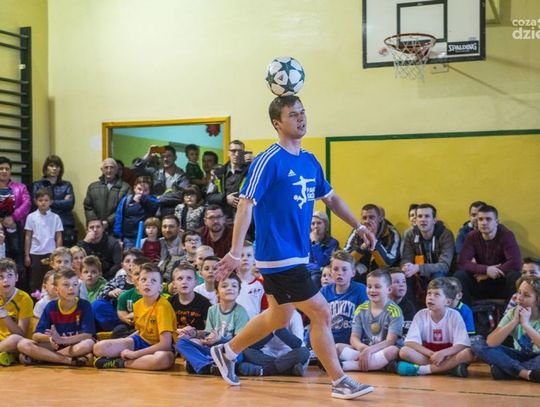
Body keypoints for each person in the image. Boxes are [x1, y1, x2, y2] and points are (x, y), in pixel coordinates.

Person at [211, 95, 375, 399]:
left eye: (302, 112)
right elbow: (246, 204)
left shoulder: (309, 160)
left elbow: (330, 198)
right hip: (277, 255)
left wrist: (359, 225)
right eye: (292, 114)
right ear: (277, 123)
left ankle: (227, 351)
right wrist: (235, 251)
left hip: (297, 254)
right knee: (321, 311)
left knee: (279, 317)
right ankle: (339, 381)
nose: (301, 118)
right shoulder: (268, 160)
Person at [93, 263, 177, 370]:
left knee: (162, 360)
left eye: (153, 281)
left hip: (160, 348)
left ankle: (121, 363)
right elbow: (140, 331)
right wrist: (123, 342)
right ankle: (134, 360)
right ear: (137, 285)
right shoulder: (137, 305)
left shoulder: (163, 307)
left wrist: (135, 354)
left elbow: (165, 344)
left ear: (160, 287)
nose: (148, 283)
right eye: (144, 280)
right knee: (99, 347)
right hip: (141, 341)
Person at [17, 268, 95, 366]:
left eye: (75, 284)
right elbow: (36, 336)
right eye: (66, 285)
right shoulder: (51, 306)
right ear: (56, 289)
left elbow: (87, 335)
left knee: (88, 343)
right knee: (23, 344)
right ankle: (68, 360)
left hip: (74, 346)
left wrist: (62, 340)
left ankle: (45, 358)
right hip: (56, 346)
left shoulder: (84, 305)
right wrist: (51, 338)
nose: (71, 288)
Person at [397, 278, 473, 377]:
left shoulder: (455, 315)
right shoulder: (420, 314)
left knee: (468, 353)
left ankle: (422, 370)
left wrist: (442, 353)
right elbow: (410, 342)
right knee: (404, 351)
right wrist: (432, 354)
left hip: (448, 356)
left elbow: (462, 344)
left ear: (448, 302)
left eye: (437, 294)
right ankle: (449, 369)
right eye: (429, 293)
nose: (431, 297)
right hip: (429, 356)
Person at [176, 273, 249, 374]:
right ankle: (211, 366)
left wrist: (220, 339)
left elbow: (239, 342)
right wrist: (194, 333)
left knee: (239, 356)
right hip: (212, 350)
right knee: (181, 343)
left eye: (234, 286)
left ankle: (204, 365)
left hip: (229, 351)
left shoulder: (241, 312)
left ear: (239, 291)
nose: (229, 288)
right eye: (224, 286)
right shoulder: (212, 309)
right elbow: (207, 333)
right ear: (217, 292)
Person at [471, 276, 540, 382]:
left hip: (537, 357)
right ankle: (524, 373)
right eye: (519, 292)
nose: (519, 298)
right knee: (476, 343)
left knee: (498, 370)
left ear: (538, 300)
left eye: (526, 295)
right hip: (519, 356)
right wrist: (514, 321)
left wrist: (525, 324)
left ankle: (506, 369)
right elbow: (491, 343)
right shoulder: (513, 313)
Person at [336, 269, 403, 372]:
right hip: (366, 348)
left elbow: (390, 341)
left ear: (389, 289)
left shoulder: (394, 311)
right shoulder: (361, 309)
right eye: (369, 286)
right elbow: (354, 337)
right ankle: (375, 364)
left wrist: (369, 351)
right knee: (337, 347)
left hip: (384, 350)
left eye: (377, 286)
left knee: (392, 351)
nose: (372, 290)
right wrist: (363, 348)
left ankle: (345, 366)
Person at [455, 204, 522, 305]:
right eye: (480, 219)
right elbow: (462, 262)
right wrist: (486, 270)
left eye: (488, 219)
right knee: (459, 275)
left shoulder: (506, 235)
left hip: (501, 282)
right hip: (479, 280)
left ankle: (510, 312)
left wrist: (488, 274)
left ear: (497, 222)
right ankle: (466, 312)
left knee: (515, 276)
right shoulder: (472, 236)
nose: (484, 223)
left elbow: (515, 263)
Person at [400, 203, 455, 306]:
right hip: (418, 273)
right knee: (404, 276)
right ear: (416, 220)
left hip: (442, 274)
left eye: (427, 216)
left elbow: (444, 266)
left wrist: (418, 268)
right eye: (420, 216)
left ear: (434, 220)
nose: (423, 220)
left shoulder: (445, 234)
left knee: (437, 276)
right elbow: (406, 258)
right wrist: (407, 267)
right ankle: (410, 311)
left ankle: (435, 310)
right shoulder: (410, 235)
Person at [240, 310, 310, 376]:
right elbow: (254, 346)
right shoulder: (264, 315)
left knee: (304, 352)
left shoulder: (295, 315)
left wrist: (280, 331)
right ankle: (289, 369)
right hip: (269, 354)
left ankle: (264, 371)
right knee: (247, 352)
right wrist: (270, 332)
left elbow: (298, 345)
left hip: (289, 354)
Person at [320, 250, 368, 345]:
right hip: (329, 343)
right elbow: (318, 321)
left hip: (353, 344)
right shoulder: (324, 292)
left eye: (344, 269)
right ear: (331, 272)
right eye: (335, 269)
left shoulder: (360, 289)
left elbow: (365, 320)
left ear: (353, 273)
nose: (340, 273)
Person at [344, 204, 400, 282]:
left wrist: (374, 240)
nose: (367, 221)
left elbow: (388, 263)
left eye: (371, 217)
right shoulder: (357, 231)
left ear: (380, 218)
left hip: (384, 271)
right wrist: (362, 248)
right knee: (348, 272)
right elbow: (345, 259)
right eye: (364, 218)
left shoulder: (392, 233)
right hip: (362, 268)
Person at [32, 155, 78, 247]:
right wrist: (62, 202)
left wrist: (49, 203)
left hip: (64, 224)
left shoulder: (67, 185)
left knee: (65, 253)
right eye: (51, 166)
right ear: (46, 168)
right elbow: (37, 204)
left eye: (57, 166)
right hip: (44, 224)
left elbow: (70, 204)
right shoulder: (37, 185)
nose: (54, 169)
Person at [131, 145, 190, 217]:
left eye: (168, 156)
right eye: (162, 157)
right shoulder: (155, 172)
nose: (165, 159)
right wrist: (147, 156)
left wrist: (158, 199)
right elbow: (135, 169)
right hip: (153, 213)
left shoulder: (182, 176)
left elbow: (183, 194)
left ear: (175, 157)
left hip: (172, 214)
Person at [24, 188, 63, 293]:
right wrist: (27, 255)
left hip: (51, 253)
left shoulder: (56, 217)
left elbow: (58, 236)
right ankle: (35, 300)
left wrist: (58, 254)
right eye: (40, 200)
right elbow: (28, 236)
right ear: (36, 201)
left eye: (46, 200)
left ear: (51, 202)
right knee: (35, 280)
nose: (43, 203)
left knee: (51, 278)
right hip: (35, 253)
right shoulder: (31, 217)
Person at [206, 140, 250, 221]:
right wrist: (225, 199)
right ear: (228, 153)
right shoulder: (218, 173)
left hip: (245, 217)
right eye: (233, 151)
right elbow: (209, 196)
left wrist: (255, 162)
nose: (236, 154)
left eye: (240, 151)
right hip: (223, 219)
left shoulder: (251, 172)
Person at [83, 158, 131, 233]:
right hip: (96, 230)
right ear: (102, 170)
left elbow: (125, 208)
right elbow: (88, 207)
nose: (109, 170)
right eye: (106, 167)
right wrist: (97, 223)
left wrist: (108, 222)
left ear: (116, 170)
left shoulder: (126, 187)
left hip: (116, 229)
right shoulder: (92, 187)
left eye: (112, 167)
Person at [0, 156, 31, 270]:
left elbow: (27, 203)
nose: (4, 171)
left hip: (15, 228)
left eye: (7, 169)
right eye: (1, 168)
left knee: (16, 261)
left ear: (10, 171)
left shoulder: (20, 187)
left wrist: (13, 217)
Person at [0, 259, 33, 366]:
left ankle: (7, 354)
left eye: (9, 275)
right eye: (1, 277)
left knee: (15, 339)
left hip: (13, 342)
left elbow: (21, 334)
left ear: (16, 277)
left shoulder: (24, 298)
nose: (5, 280)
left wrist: (4, 315)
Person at [113, 176, 159, 249]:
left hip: (147, 238)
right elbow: (119, 218)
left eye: (145, 190)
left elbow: (154, 207)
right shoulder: (126, 200)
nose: (141, 192)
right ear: (134, 188)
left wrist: (143, 199)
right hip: (128, 238)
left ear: (149, 191)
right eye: (139, 189)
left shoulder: (152, 200)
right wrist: (118, 236)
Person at [168, 262, 211, 339]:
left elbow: (209, 331)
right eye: (180, 278)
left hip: (195, 340)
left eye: (189, 278)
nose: (184, 282)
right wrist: (177, 331)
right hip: (173, 338)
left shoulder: (204, 303)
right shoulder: (169, 302)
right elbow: (163, 327)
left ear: (195, 282)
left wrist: (195, 333)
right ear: (174, 284)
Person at [236, 241, 267, 319]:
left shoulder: (261, 284)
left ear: (254, 259)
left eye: (249, 255)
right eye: (241, 255)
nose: (245, 258)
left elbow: (265, 311)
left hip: (255, 324)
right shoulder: (229, 282)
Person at [308, 211, 339, 288]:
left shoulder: (332, 243)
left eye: (319, 223)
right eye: (313, 224)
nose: (316, 226)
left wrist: (315, 243)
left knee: (315, 278)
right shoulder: (305, 241)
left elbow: (322, 263)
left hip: (322, 273)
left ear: (325, 225)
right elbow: (304, 262)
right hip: (307, 271)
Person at [388, 268, 416, 336]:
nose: (401, 285)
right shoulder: (378, 305)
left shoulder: (409, 307)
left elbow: (407, 334)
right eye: (396, 282)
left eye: (404, 281)